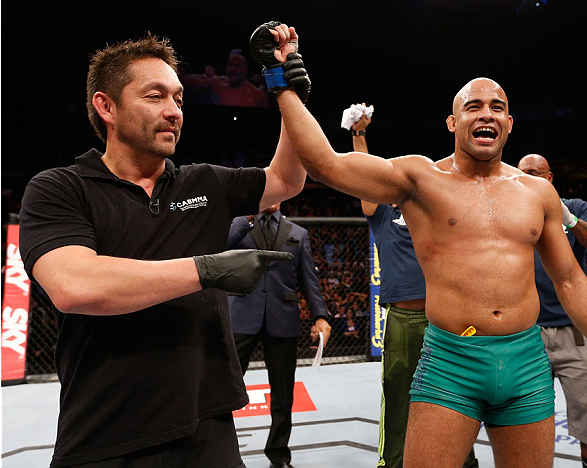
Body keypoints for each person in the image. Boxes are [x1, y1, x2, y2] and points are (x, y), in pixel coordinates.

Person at [250, 22, 587, 468]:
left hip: (526, 361)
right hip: (451, 361)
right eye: (473, 106)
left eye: (498, 107)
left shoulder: (538, 193)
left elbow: (570, 278)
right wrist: (282, 85)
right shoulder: (421, 179)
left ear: (509, 124)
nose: (487, 114)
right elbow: (324, 164)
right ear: (453, 122)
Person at [18, 31, 311, 468]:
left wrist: (287, 94)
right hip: (107, 433)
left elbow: (287, 180)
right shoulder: (59, 188)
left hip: (207, 426)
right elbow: (74, 285)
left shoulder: (204, 182)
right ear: (106, 106)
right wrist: (206, 270)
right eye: (155, 97)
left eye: (177, 98)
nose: (173, 111)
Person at [350, 107, 478, 468]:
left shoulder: (433, 210)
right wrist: (358, 135)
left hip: (445, 318)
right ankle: (391, 463)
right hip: (403, 319)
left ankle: (463, 461)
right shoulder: (380, 214)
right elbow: (362, 174)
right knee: (397, 394)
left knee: (455, 396)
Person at [517, 154, 587, 468]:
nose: (526, 178)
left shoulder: (576, 206)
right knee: (524, 416)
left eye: (533, 173)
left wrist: (568, 218)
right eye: (521, 174)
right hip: (526, 331)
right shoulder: (509, 210)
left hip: (575, 330)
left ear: (549, 177)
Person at [227, 203, 332, 468]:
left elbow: (309, 279)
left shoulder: (297, 232)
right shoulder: (238, 223)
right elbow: (220, 247)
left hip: (282, 317)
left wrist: (320, 316)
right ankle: (220, 452)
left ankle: (279, 455)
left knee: (283, 394)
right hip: (241, 314)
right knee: (226, 387)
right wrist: (247, 215)